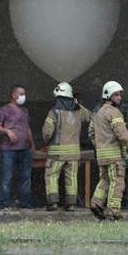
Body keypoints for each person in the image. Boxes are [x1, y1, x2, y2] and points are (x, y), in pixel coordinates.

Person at [89, 81, 128, 220]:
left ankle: (96, 203)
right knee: (117, 182)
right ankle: (113, 210)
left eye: (120, 94)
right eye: (116, 94)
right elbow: (121, 133)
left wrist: (99, 146)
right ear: (108, 96)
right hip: (114, 156)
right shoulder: (114, 113)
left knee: (104, 180)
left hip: (102, 156)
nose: (120, 97)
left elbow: (91, 132)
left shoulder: (98, 113)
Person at [42, 82, 91, 211]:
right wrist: (77, 103)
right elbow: (91, 117)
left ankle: (52, 203)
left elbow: (47, 132)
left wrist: (46, 142)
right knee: (72, 178)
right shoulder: (79, 111)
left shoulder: (54, 112)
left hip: (56, 153)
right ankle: (71, 204)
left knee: (51, 176)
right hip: (74, 153)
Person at [0, 84, 34, 209]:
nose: (23, 96)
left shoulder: (25, 110)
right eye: (21, 93)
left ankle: (25, 203)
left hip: (24, 149)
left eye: (24, 94)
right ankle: (4, 203)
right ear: (13, 95)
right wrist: (8, 131)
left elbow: (27, 128)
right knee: (7, 177)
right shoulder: (4, 110)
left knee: (25, 177)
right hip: (8, 150)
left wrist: (32, 145)